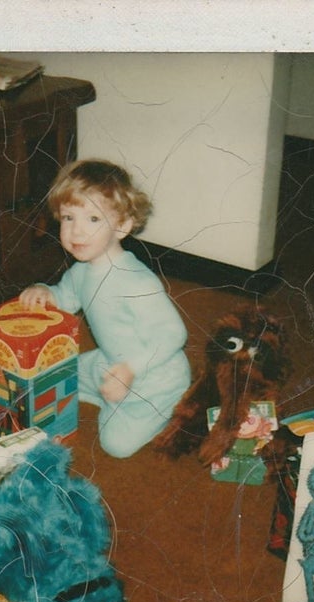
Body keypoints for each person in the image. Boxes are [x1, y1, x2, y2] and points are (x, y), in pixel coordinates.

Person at [20, 159, 191, 458]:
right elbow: (65, 297)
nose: (77, 231)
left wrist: (130, 370)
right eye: (68, 218)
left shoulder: (136, 281)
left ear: (122, 226)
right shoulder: (83, 270)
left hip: (155, 377)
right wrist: (44, 291)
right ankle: (109, 394)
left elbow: (173, 334)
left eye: (93, 219)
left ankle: (167, 405)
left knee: (115, 445)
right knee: (58, 378)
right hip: (111, 361)